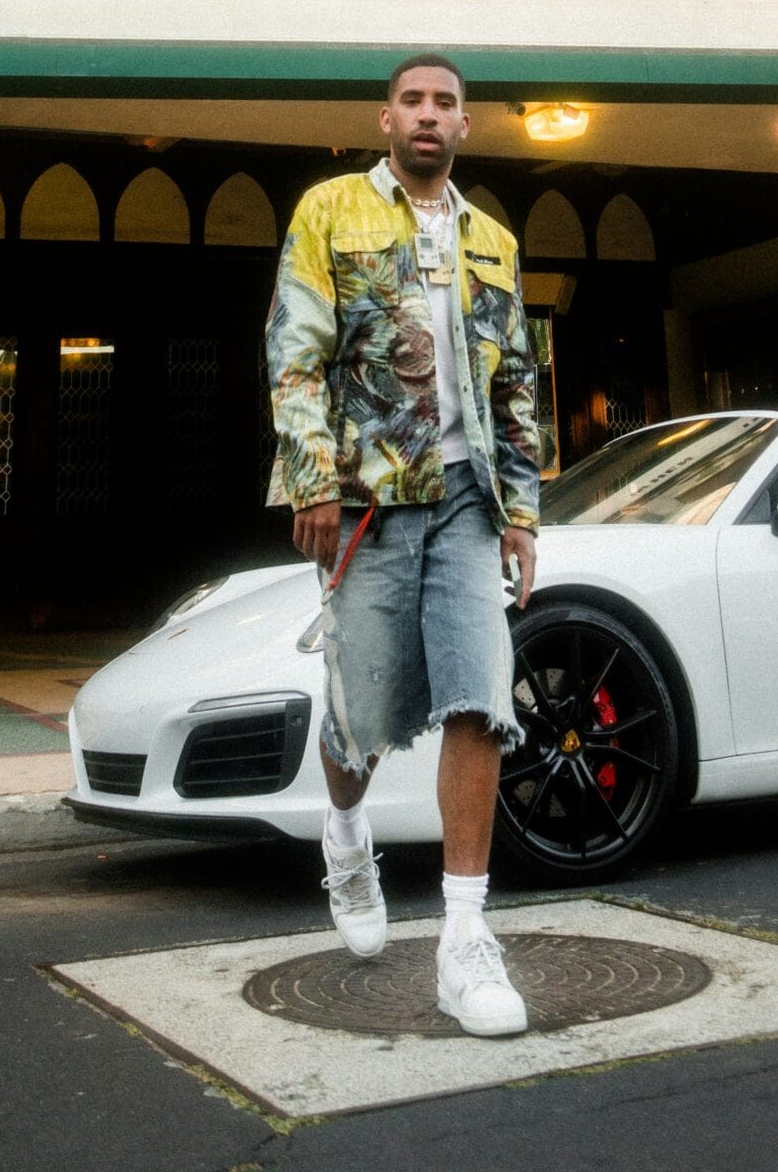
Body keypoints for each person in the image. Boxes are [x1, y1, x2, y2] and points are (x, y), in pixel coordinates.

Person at [265, 54, 540, 1037]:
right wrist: (313, 479)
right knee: (362, 716)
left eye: (448, 103)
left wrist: (520, 510)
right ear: (386, 118)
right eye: (415, 100)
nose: (430, 115)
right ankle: (344, 833)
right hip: (368, 498)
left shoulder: (495, 242)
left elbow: (516, 389)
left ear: (466, 126)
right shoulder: (331, 210)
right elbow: (293, 352)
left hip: (467, 500)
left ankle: (464, 945)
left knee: (480, 694)